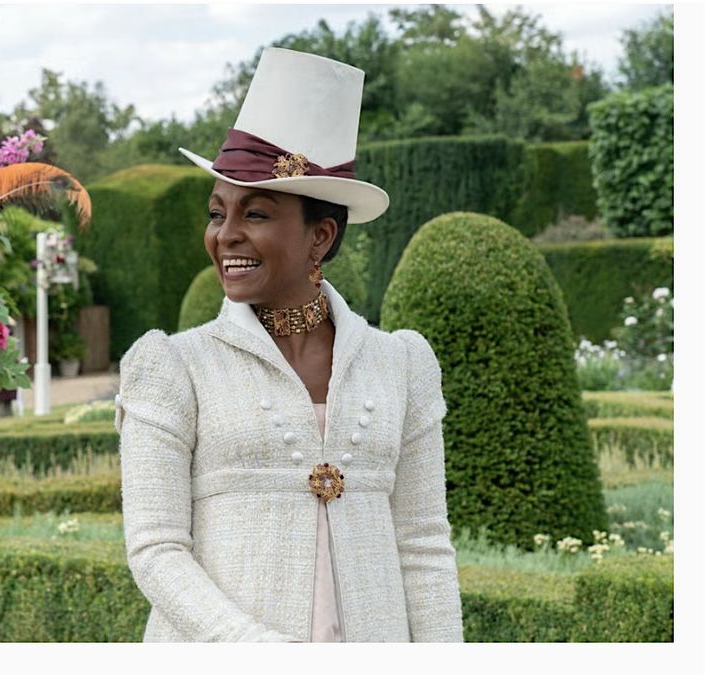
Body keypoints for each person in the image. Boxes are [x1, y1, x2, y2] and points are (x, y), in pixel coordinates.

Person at [114, 47, 463, 642]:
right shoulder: (173, 366)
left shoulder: (401, 364)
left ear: (320, 236)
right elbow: (156, 549)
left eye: (255, 214)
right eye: (217, 213)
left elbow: (423, 544)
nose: (226, 235)